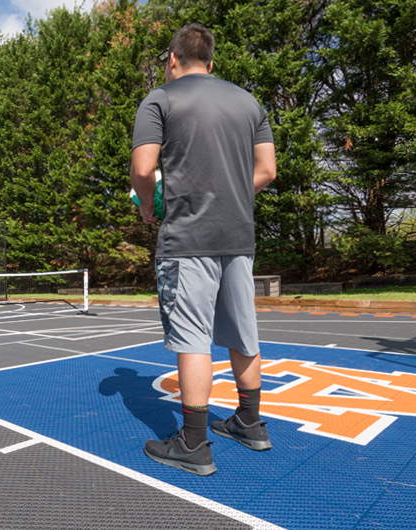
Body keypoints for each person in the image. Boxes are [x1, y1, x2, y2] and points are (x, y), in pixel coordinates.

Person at [130, 23, 277, 476]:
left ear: (172, 59)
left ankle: (194, 444)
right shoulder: (248, 101)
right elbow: (267, 169)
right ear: (211, 63)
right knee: (241, 331)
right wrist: (230, 190)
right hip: (238, 234)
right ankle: (251, 424)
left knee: (193, 336)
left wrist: (148, 205)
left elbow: (143, 167)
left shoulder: (160, 99)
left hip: (189, 236)